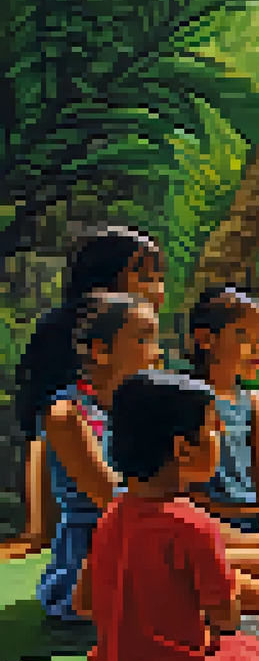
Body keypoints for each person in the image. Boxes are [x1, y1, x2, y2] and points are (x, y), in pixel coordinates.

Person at [74, 370, 259, 661]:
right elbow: (225, 617)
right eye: (213, 428)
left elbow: (84, 603)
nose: (220, 436)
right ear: (182, 448)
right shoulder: (193, 524)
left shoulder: (111, 515)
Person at [17, 226, 164, 552]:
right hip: (94, 509)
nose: (158, 290)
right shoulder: (68, 395)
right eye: (145, 277)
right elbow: (43, 437)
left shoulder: (136, 378)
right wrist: (39, 527)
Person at [34, 293, 161, 621]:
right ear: (100, 350)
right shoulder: (67, 415)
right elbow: (116, 500)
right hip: (96, 559)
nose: (157, 352)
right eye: (144, 338)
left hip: (156, 537)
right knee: (238, 568)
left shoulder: (141, 409)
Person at [186, 286, 259, 545]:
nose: (258, 349)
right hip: (210, 523)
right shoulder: (187, 399)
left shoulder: (255, 403)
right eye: (244, 336)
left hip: (256, 520)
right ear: (205, 339)